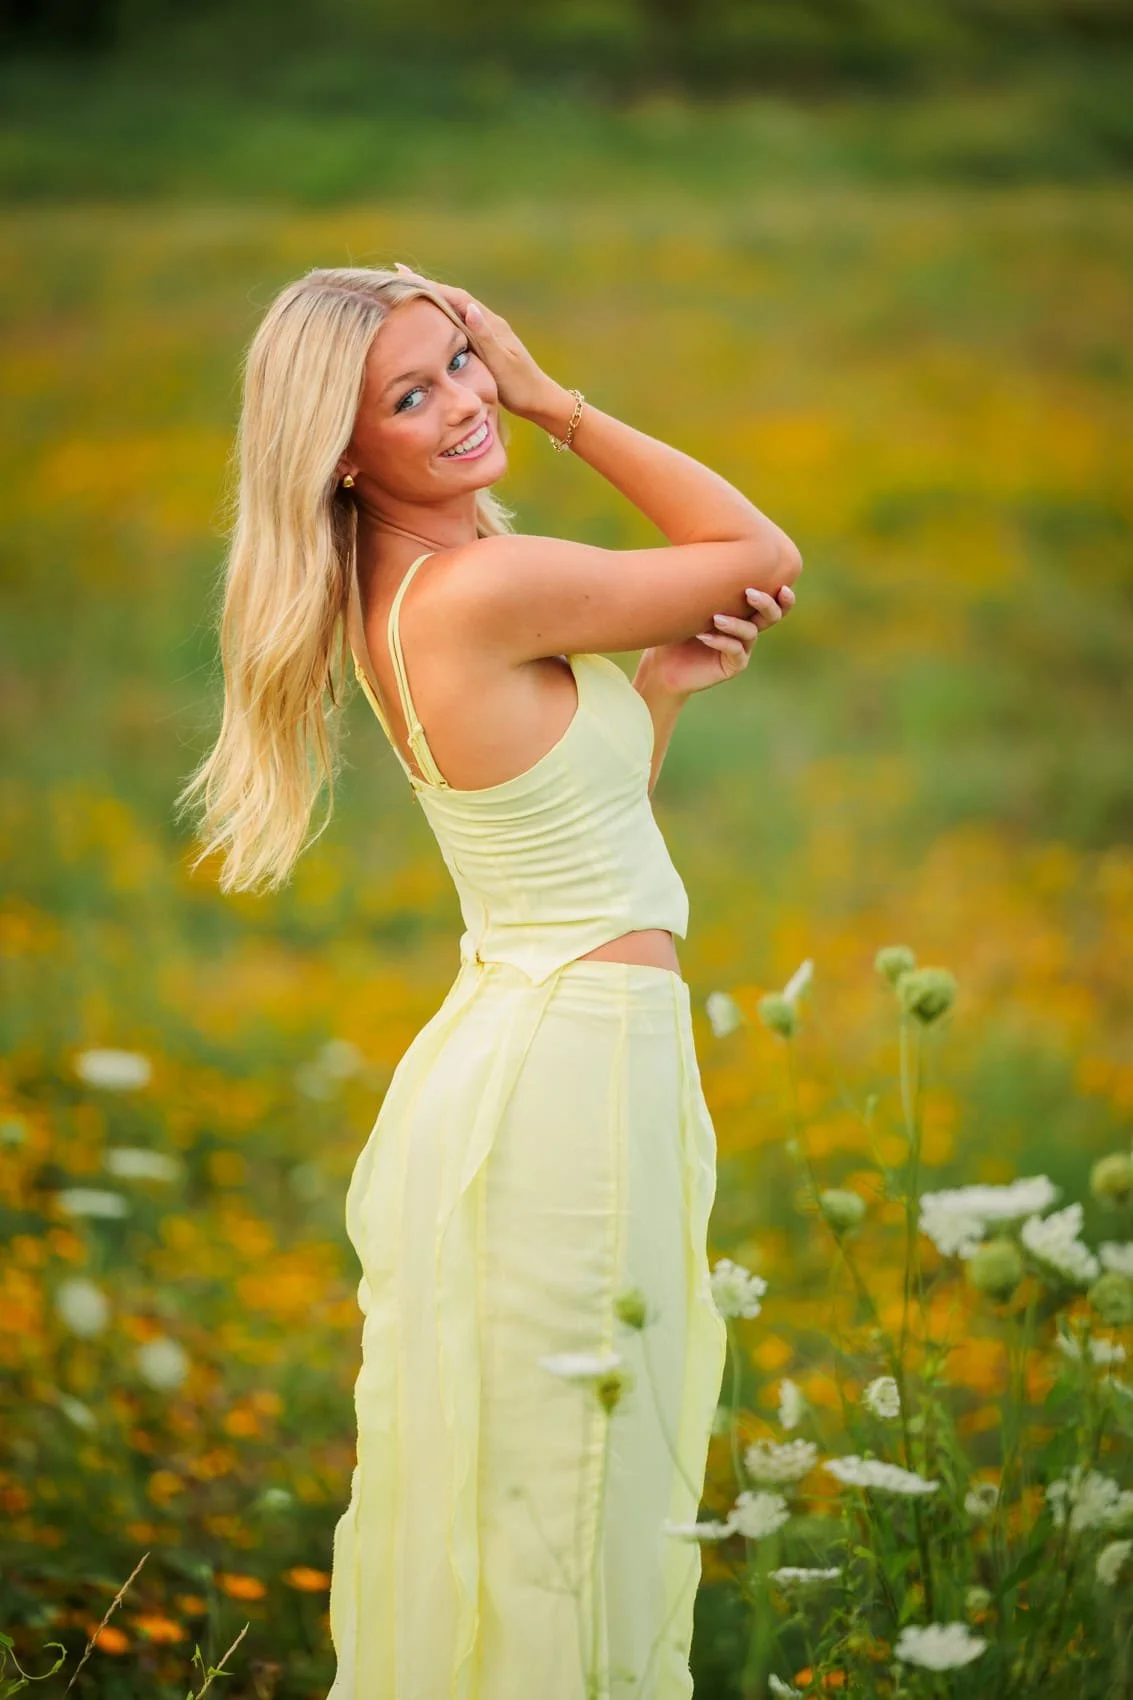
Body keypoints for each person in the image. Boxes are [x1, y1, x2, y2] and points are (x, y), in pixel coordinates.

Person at [177, 262, 801, 1698]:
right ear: (343, 452)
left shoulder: (404, 591)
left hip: (552, 1042)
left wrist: (650, 696)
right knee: (567, 1495)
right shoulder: (486, 585)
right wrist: (552, 399)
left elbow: (572, 846)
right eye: (415, 394)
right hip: (567, 1078)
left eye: (461, 362)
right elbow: (763, 549)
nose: (463, 403)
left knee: (547, 1484)